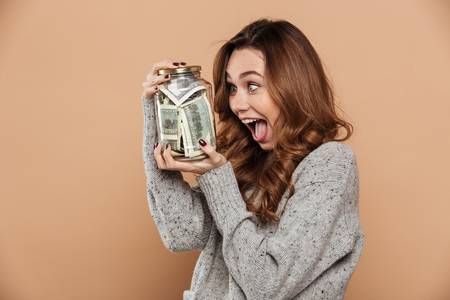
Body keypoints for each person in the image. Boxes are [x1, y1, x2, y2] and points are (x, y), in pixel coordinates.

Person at [141, 18, 364, 300]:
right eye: (233, 87)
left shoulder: (331, 164)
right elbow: (181, 233)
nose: (237, 103)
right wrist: (156, 114)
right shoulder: (247, 160)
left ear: (293, 86)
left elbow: (267, 284)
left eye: (252, 85)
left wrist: (217, 178)